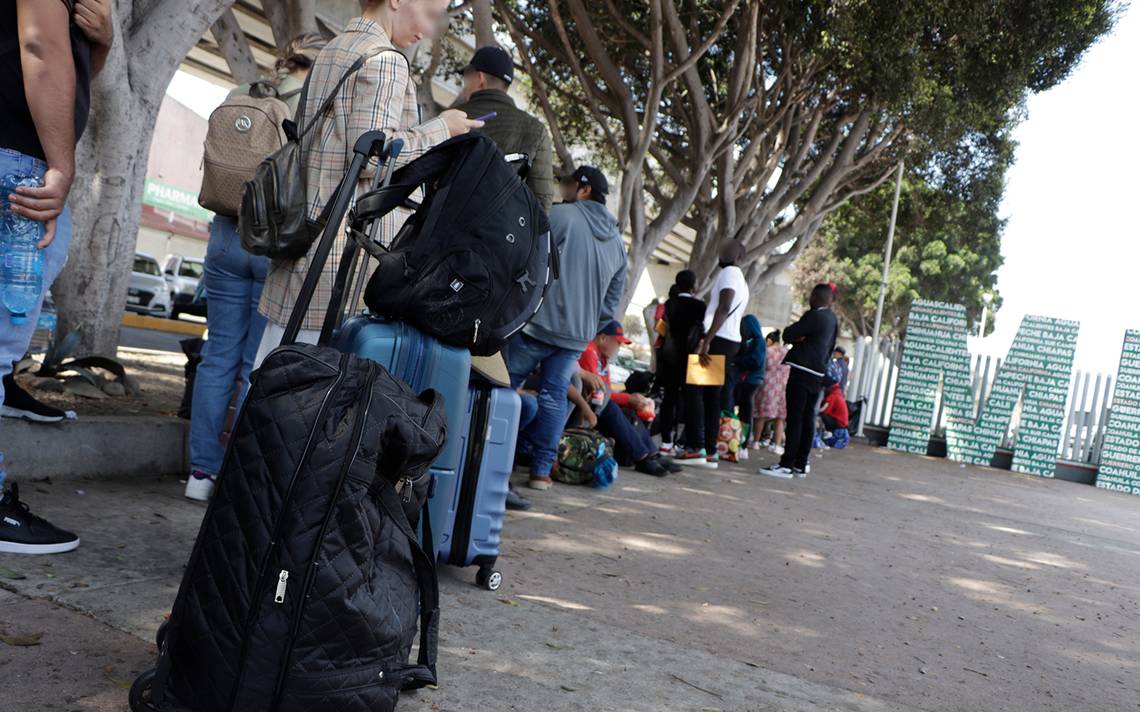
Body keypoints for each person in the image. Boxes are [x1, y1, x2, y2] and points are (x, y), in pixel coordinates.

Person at [255, 0, 483, 363]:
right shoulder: (385, 61)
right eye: (428, 13)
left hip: (303, 234)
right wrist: (443, 128)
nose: (426, 30)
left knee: (274, 372)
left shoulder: (333, 49)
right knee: (306, 389)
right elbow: (372, 157)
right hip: (338, 253)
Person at [184, 34, 326, 502]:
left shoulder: (241, 94)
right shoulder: (314, 105)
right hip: (271, 243)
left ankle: (200, 473)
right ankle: (234, 481)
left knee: (217, 356)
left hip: (224, 236)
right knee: (253, 364)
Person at [0, 0, 112, 554]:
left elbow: (61, 73)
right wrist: (63, 170)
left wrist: (102, 44)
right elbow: (40, 47)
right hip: (19, 170)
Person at [507, 165, 626, 490]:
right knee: (554, 397)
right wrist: (590, 324)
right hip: (577, 334)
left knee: (502, 386)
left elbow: (529, 254)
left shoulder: (563, 216)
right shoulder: (617, 242)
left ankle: (490, 458)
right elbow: (613, 298)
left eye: (567, 184)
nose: (563, 189)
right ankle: (541, 473)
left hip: (538, 325)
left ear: (583, 189)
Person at [451, 45, 554, 211]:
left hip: (444, 225)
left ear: (479, 78)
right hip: (499, 231)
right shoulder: (536, 129)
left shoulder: (454, 117)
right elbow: (542, 201)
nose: (465, 85)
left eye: (466, 77)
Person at [680, 242, 750, 468]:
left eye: (728, 249)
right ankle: (710, 450)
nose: (722, 251)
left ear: (739, 256)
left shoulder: (730, 273)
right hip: (729, 340)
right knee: (712, 396)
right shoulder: (740, 278)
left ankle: (696, 447)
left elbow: (725, 305)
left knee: (693, 391)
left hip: (718, 339)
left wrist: (706, 340)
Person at [578, 322, 679, 476]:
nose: (618, 348)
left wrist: (631, 399)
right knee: (611, 407)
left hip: (596, 404)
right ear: (603, 338)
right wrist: (629, 398)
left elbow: (607, 391)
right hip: (582, 408)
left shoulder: (602, 358)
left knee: (628, 412)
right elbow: (599, 392)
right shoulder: (589, 352)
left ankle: (651, 453)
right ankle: (642, 457)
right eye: (617, 343)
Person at [760, 284, 839, 479]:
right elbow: (829, 347)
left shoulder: (814, 316)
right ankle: (801, 464)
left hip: (802, 371)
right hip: (818, 373)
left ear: (814, 297)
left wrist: (800, 339)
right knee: (807, 419)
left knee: (795, 418)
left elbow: (788, 334)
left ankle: (786, 464)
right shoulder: (832, 319)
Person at [656, 270, 706, 455]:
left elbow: (663, 329)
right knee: (691, 399)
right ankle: (687, 443)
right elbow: (703, 331)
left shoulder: (670, 304)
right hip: (691, 358)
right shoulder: (700, 306)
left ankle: (666, 442)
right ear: (694, 286)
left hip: (670, 356)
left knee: (669, 398)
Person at [752, 329, 789, 453]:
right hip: (783, 387)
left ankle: (756, 441)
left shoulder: (767, 351)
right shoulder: (787, 352)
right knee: (780, 418)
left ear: (769, 340)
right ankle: (777, 445)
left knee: (761, 415)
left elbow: (759, 365)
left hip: (767, 385)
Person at [731, 315, 766, 443]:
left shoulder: (757, 342)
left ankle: (743, 441)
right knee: (745, 409)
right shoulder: (753, 341)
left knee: (745, 410)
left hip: (750, 380)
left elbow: (755, 361)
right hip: (750, 380)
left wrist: (737, 362)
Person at [819, 381, 850, 449]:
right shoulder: (838, 394)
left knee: (821, 417)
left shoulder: (833, 396)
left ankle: (822, 436)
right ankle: (826, 435)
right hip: (842, 423)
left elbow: (825, 410)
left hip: (839, 423)